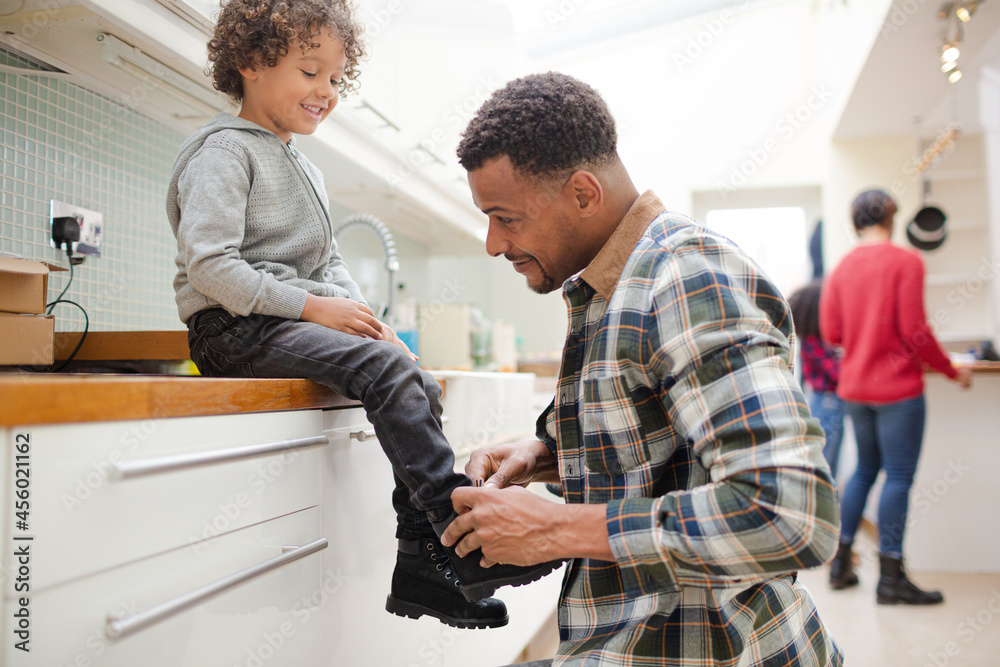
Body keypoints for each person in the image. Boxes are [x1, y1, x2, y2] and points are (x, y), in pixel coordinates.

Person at [165, 0, 557, 630]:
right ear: (249, 62)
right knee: (390, 371)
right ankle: (466, 535)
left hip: (279, 324)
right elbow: (211, 267)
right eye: (310, 71)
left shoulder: (306, 169)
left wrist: (374, 327)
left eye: (336, 79)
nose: (326, 91)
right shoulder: (222, 152)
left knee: (414, 376)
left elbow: (329, 267)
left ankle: (423, 566)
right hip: (230, 330)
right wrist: (314, 306)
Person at [442, 72, 843, 666]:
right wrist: (542, 454)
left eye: (506, 217)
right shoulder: (612, 287)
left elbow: (789, 513)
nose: (492, 243)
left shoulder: (683, 278)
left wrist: (554, 529)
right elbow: (669, 446)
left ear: (583, 193)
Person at [819, 189, 972, 604]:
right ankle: (890, 578)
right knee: (898, 477)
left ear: (855, 221)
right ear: (891, 217)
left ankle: (840, 564)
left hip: (854, 389)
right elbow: (915, 331)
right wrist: (950, 370)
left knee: (865, 470)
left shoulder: (842, 268)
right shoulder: (906, 261)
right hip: (897, 390)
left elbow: (832, 333)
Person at [787, 280, 846, 478]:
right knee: (825, 465)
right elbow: (836, 373)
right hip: (828, 402)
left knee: (828, 462)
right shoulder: (816, 341)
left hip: (825, 401)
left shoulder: (813, 340)